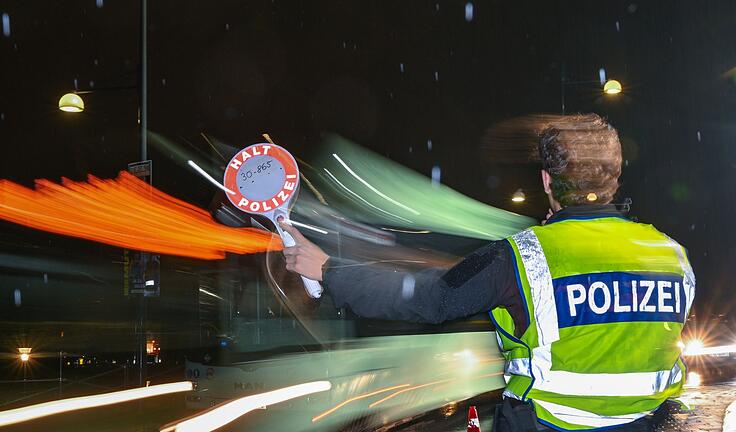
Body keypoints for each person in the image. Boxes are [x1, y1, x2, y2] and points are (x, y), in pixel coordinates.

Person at [280, 114, 695, 432]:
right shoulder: (671, 254)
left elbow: (429, 299)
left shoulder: (523, 256)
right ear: (615, 179)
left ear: (547, 181)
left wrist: (330, 270)